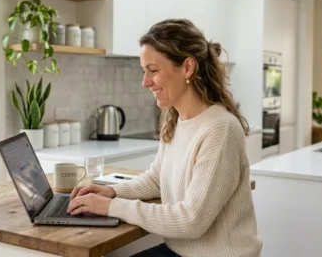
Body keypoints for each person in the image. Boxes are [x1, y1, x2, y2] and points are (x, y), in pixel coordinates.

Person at [66, 18, 263, 257]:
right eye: (144, 71)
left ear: (188, 68)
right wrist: (113, 192)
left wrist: (112, 207)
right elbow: (157, 179)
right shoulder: (176, 118)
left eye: (153, 71)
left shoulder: (220, 129)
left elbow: (191, 221)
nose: (145, 82)